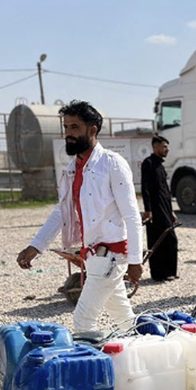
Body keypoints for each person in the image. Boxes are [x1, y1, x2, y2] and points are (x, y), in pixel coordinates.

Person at [17, 100, 143, 332]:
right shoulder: (73, 169)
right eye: (66, 127)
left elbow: (132, 216)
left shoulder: (112, 164)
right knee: (124, 319)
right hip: (93, 257)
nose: (68, 134)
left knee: (83, 321)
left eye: (74, 127)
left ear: (92, 129)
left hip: (112, 256)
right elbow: (62, 212)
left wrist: (135, 261)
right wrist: (36, 246)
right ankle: (143, 358)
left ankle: (94, 368)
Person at [141, 135, 178, 282]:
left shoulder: (161, 166)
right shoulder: (148, 163)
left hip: (165, 208)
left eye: (167, 147)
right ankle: (158, 274)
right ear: (155, 147)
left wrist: (171, 211)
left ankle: (170, 271)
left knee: (171, 239)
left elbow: (165, 191)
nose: (167, 149)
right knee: (158, 240)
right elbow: (145, 188)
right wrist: (148, 210)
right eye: (164, 147)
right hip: (155, 210)